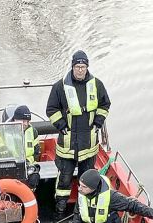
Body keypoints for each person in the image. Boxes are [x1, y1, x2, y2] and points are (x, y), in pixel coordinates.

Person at [46, 50, 111, 213]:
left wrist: (98, 122)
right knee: (64, 178)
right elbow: (51, 109)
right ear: (72, 67)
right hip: (67, 143)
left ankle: (84, 209)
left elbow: (105, 105)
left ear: (87, 67)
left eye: (83, 66)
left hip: (88, 143)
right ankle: (60, 208)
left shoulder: (97, 85)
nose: (80, 70)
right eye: (77, 66)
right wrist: (61, 125)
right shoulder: (60, 86)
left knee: (87, 179)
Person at [0, 105, 41, 189]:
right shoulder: (1, 130)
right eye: (23, 121)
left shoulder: (32, 131)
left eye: (28, 121)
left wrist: (31, 166)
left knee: (34, 179)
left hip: (25, 166)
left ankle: (29, 198)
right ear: (15, 119)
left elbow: (36, 153)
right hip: (5, 167)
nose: (26, 124)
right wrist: (1, 149)